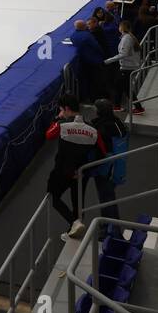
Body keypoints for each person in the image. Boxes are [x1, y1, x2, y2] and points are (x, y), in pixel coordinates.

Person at [45, 93, 106, 241]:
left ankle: (74, 223)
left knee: (53, 197)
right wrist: (87, 170)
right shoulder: (92, 129)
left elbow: (48, 135)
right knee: (78, 202)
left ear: (65, 108)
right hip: (81, 172)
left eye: (61, 109)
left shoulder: (62, 125)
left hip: (62, 171)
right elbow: (102, 152)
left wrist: (58, 119)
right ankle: (73, 229)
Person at [88, 99, 127, 233]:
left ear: (100, 111)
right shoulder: (119, 123)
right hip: (116, 168)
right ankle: (106, 226)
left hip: (106, 168)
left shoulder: (102, 127)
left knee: (107, 198)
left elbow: (100, 150)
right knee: (107, 197)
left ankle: (113, 230)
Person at [114, 20, 144, 116]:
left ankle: (138, 107)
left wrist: (109, 60)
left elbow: (124, 53)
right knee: (119, 86)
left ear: (122, 28)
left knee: (126, 88)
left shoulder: (126, 38)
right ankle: (116, 105)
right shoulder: (129, 37)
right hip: (128, 66)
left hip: (127, 67)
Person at [71, 19, 106, 102]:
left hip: (81, 62)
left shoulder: (73, 36)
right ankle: (97, 97)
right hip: (93, 61)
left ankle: (87, 97)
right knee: (96, 80)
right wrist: (103, 54)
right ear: (84, 26)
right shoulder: (87, 35)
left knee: (86, 80)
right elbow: (96, 46)